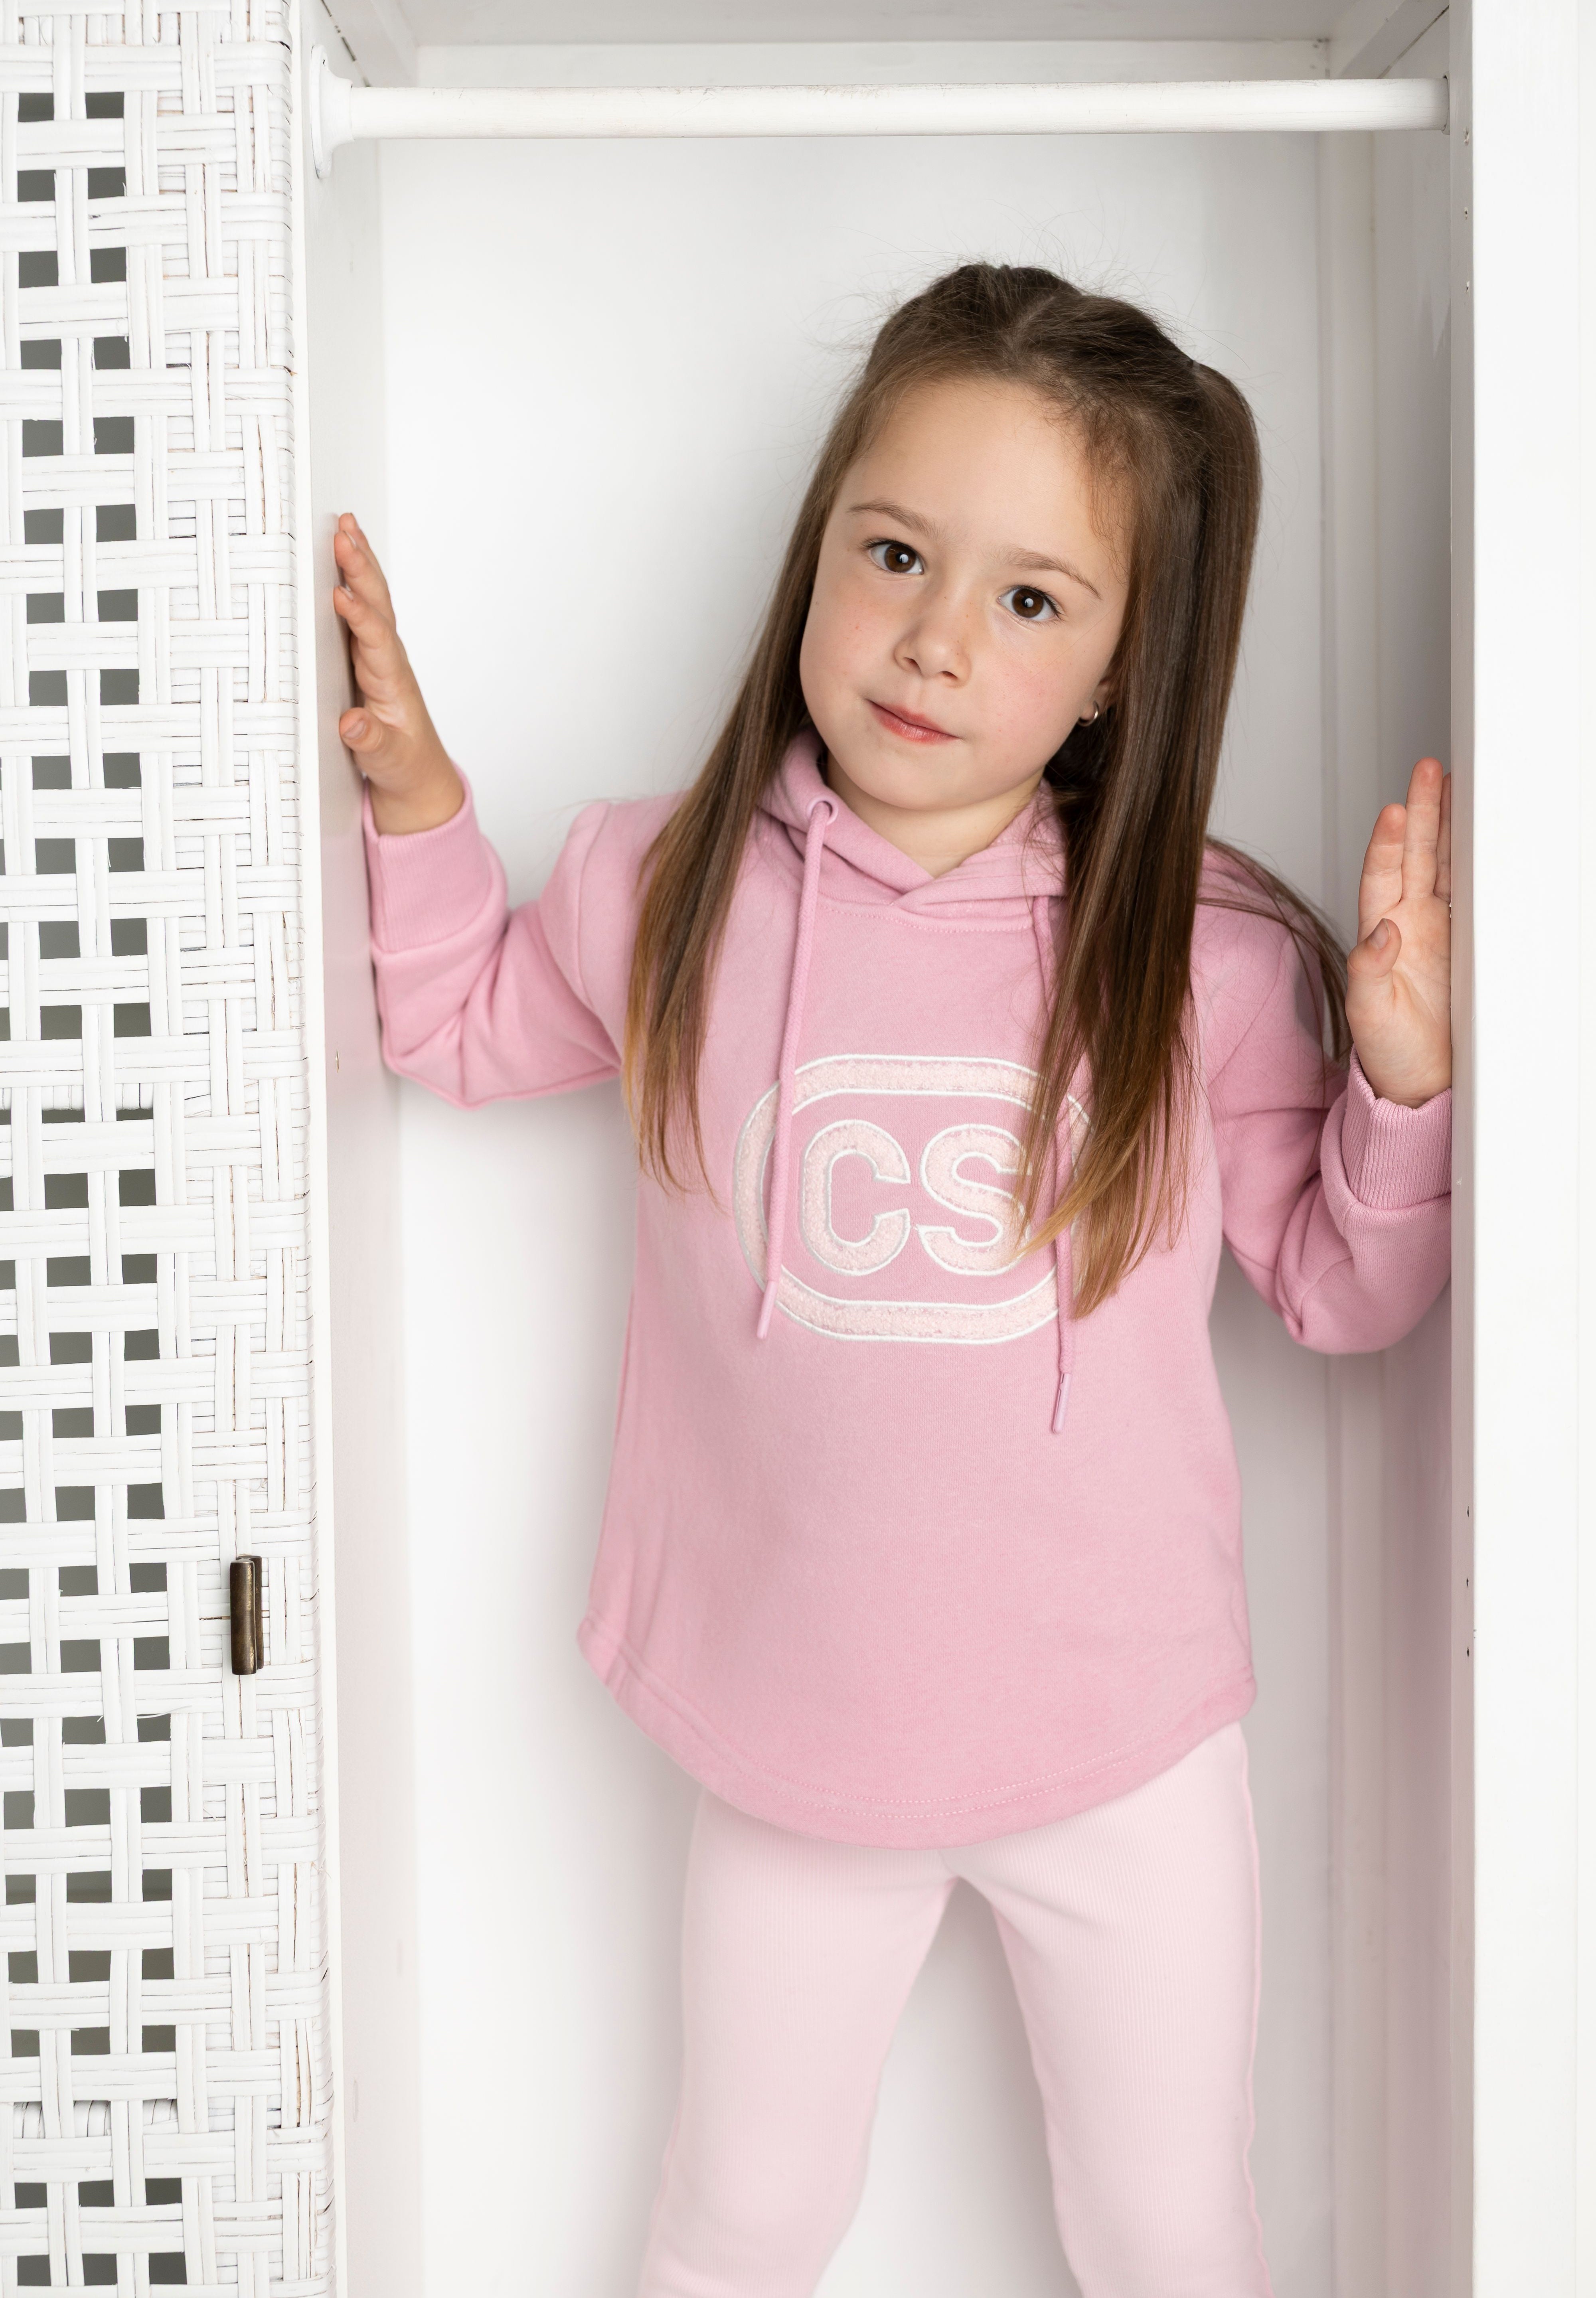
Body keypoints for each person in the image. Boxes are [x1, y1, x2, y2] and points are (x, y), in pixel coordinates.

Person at [334, 263, 1451, 2298]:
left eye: (1031, 600)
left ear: (1115, 671)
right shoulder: (667, 885)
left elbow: (1342, 1293)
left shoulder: (1195, 957)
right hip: (796, 1730)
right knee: (742, 2215)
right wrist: (418, 802)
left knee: (1170, 2232)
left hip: (1119, 1742)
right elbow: (456, 1022)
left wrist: (1398, 1080)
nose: (936, 639)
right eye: (896, 554)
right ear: (819, 546)